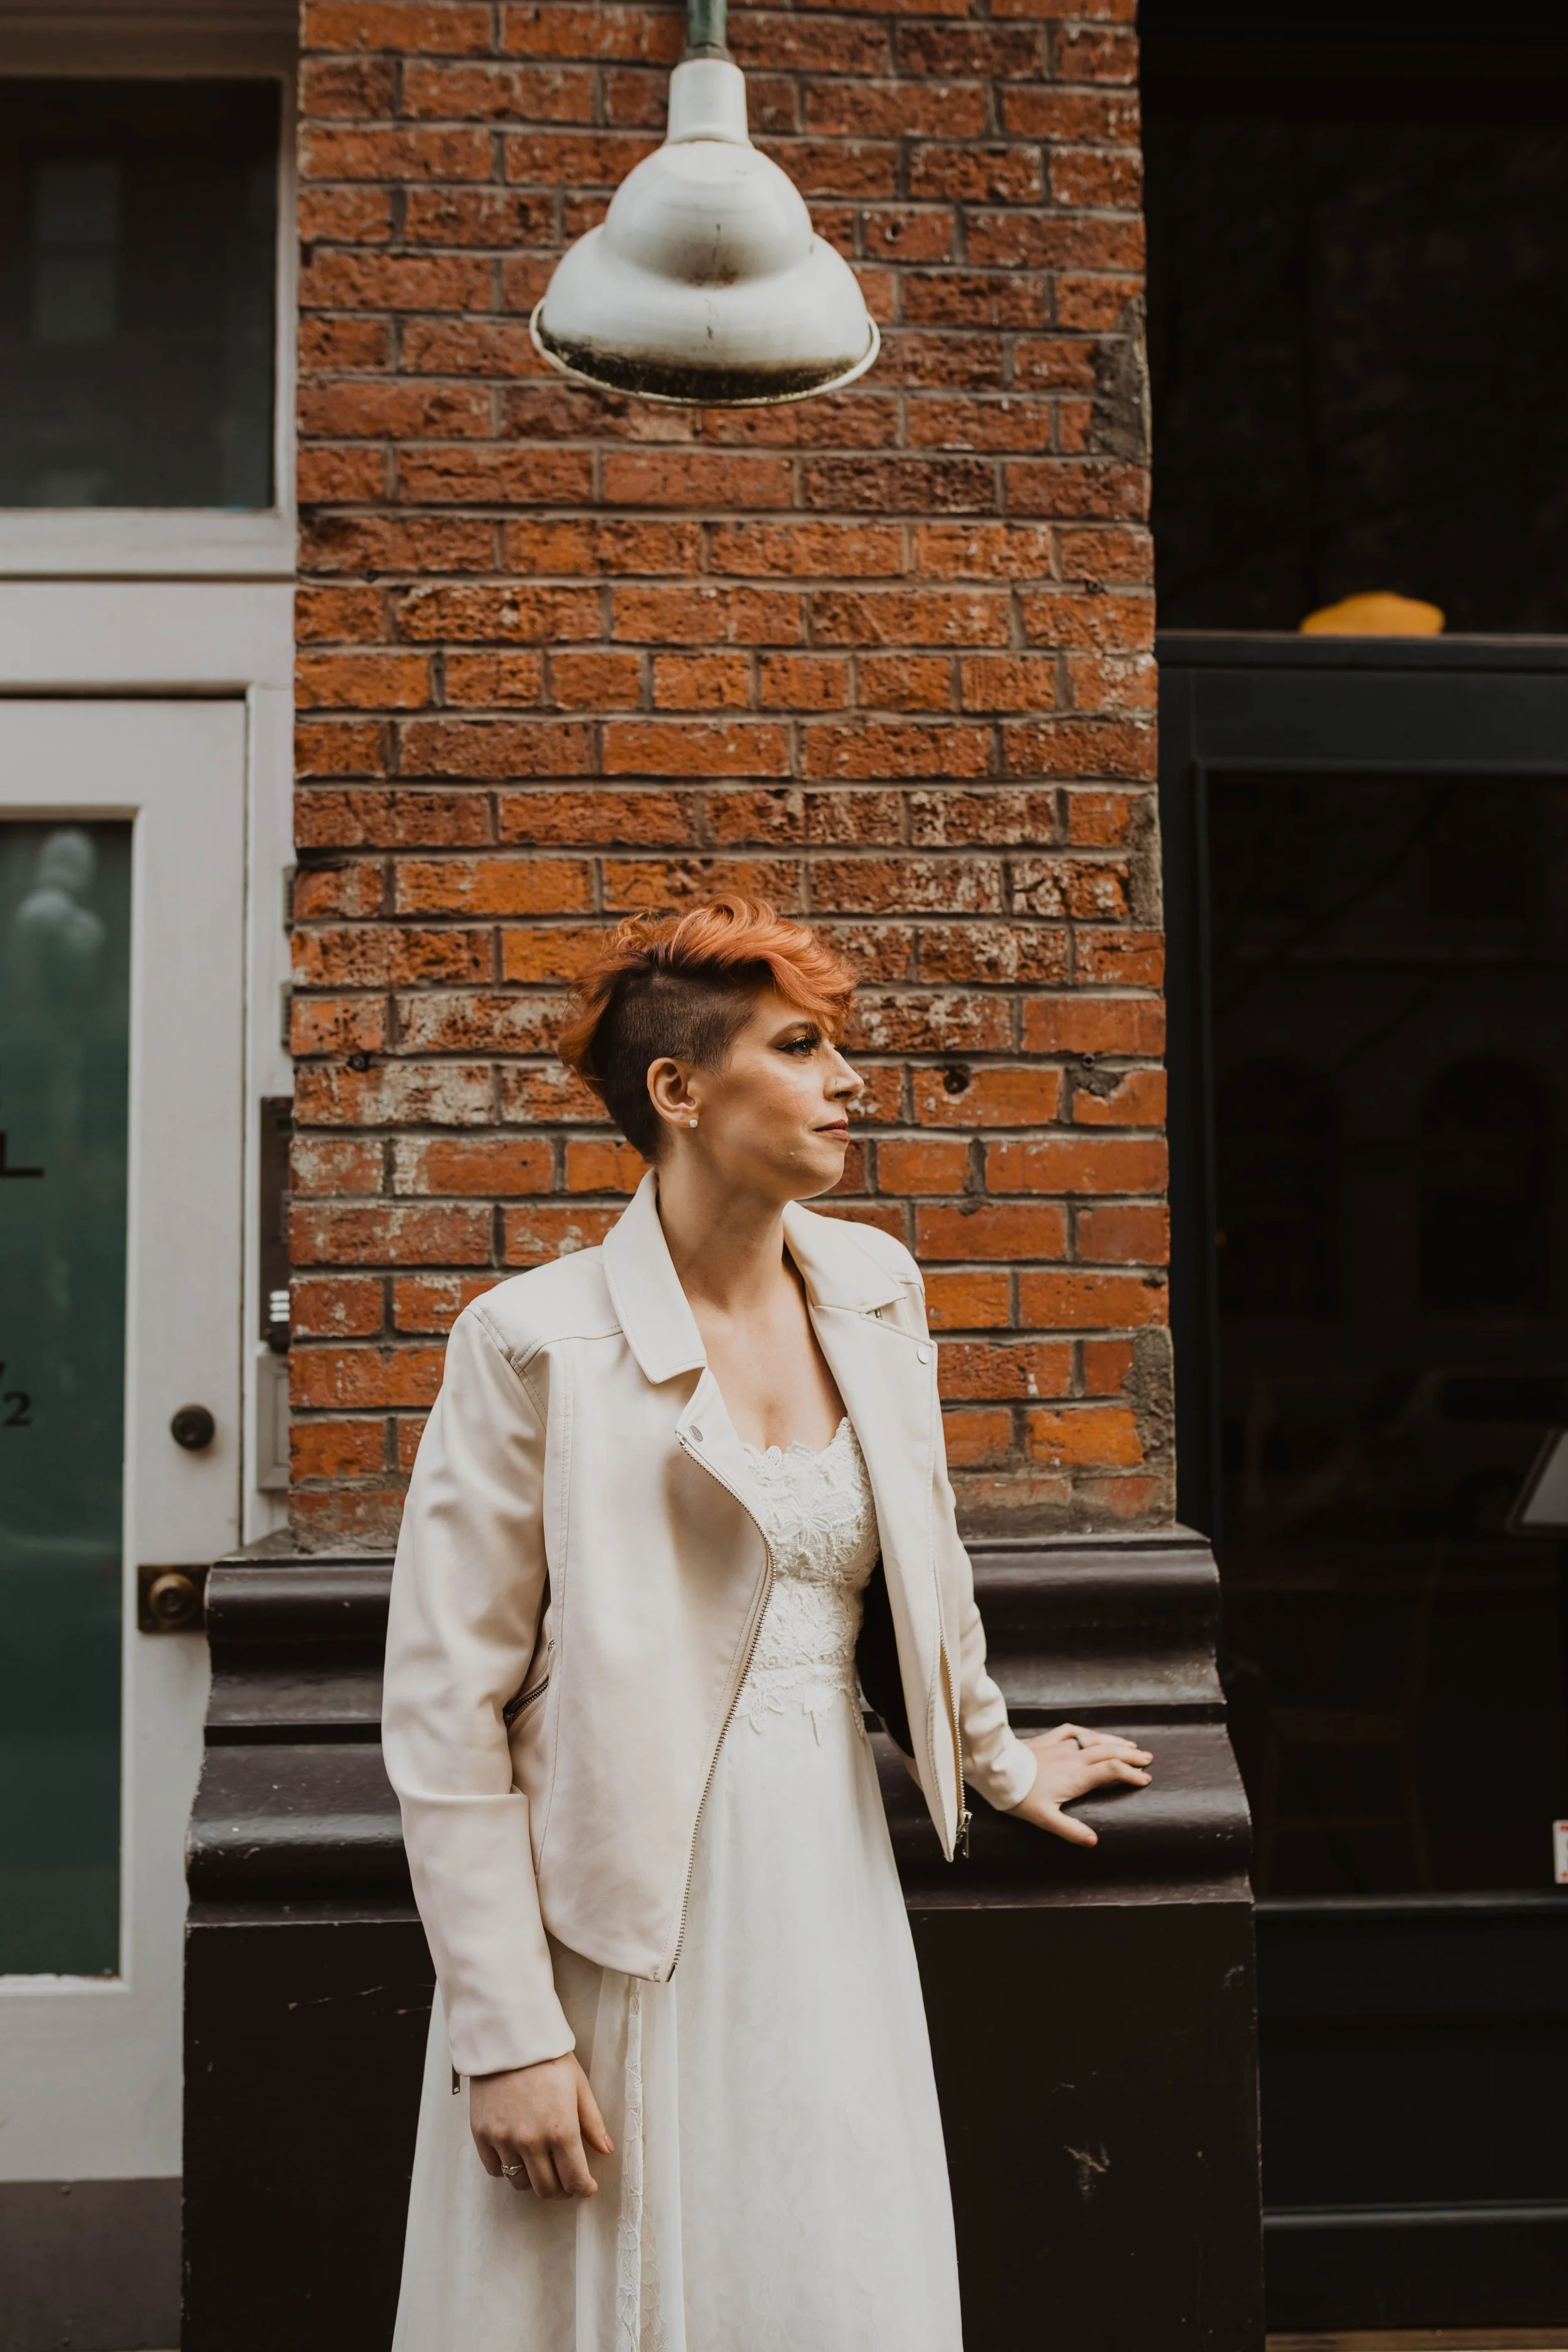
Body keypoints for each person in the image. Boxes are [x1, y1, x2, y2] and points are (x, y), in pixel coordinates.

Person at [383, 896, 1153, 2352]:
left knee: (827, 2258)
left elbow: (920, 1563)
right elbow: (443, 1714)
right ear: (677, 1093)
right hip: (622, 1914)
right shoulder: (530, 1343)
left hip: (829, 1875)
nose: (847, 1080)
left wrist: (997, 1766)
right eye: (798, 1047)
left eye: (835, 1046)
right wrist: (508, 2034)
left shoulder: (871, 1284)